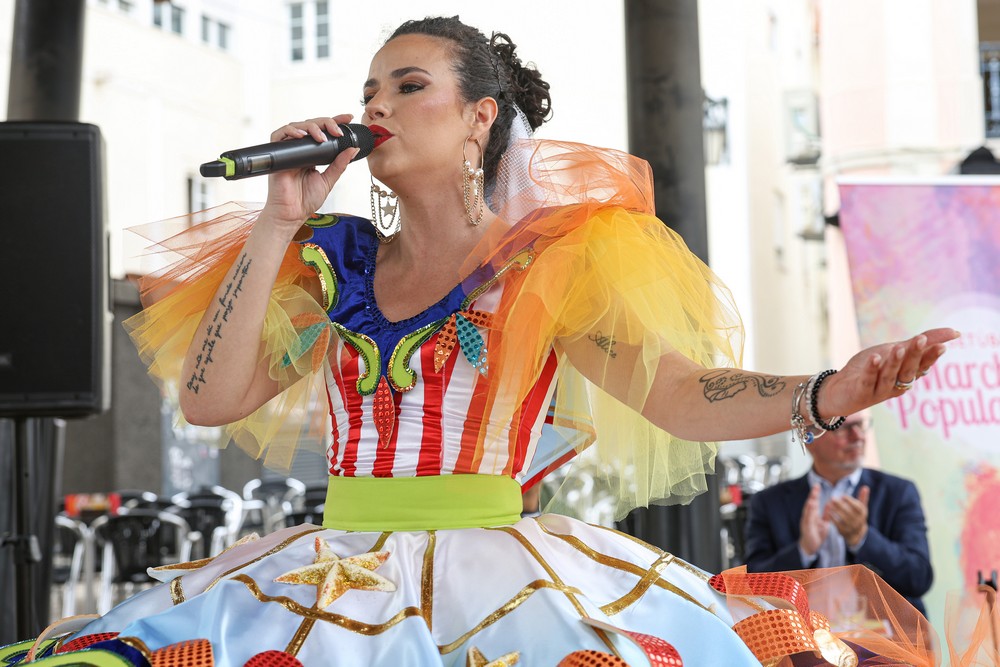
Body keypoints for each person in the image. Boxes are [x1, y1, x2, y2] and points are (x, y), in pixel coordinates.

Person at [11, 16, 955, 667]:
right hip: (331, 566)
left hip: (499, 565)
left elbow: (675, 393)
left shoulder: (544, 260)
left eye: (409, 85)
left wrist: (827, 389)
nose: (377, 102)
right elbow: (210, 399)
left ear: (479, 119)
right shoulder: (330, 261)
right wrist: (276, 221)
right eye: (369, 87)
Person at [743, 412, 933, 615]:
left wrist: (863, 539)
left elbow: (919, 578)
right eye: (843, 427)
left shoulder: (898, 492)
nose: (858, 436)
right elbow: (753, 586)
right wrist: (803, 551)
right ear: (809, 438)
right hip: (804, 638)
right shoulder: (769, 502)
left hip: (885, 639)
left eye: (860, 425)